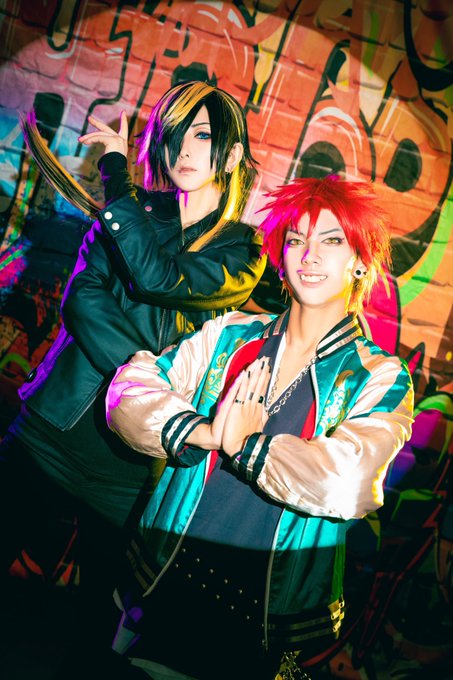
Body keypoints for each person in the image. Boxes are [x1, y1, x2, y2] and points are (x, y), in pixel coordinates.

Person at [0, 81, 265, 674]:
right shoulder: (132, 211)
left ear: (231, 152)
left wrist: (116, 180)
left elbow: (159, 278)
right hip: (50, 430)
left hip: (128, 469)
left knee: (95, 634)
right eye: (175, 135)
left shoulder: (242, 251)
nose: (184, 150)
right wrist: (151, 373)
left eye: (202, 135)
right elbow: (82, 299)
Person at [106, 176, 414, 680]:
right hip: (162, 585)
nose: (309, 255)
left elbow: (349, 482)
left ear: (360, 260)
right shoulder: (231, 334)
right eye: (296, 239)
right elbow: (128, 391)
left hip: (263, 622)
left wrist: (247, 446)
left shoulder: (377, 375)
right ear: (280, 254)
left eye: (331, 240)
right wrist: (206, 434)